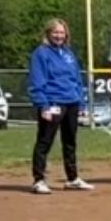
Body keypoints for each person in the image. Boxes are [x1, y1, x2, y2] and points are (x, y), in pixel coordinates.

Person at [26, 18, 93, 194]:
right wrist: (43, 106)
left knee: (70, 141)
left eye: (62, 32)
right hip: (53, 102)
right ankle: (38, 180)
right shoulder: (41, 54)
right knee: (45, 141)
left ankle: (72, 178)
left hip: (71, 102)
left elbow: (77, 79)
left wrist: (81, 103)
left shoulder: (68, 53)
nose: (59, 36)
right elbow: (37, 81)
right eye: (55, 32)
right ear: (48, 33)